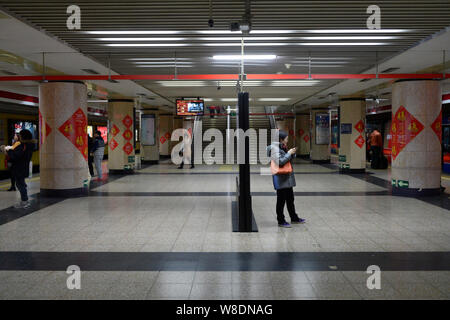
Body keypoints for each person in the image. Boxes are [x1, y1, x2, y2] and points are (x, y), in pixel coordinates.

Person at [267, 130, 306, 228]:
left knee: (290, 199)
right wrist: (289, 153)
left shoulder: (282, 147)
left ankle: (294, 217)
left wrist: (292, 153)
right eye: (286, 139)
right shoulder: (274, 149)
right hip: (281, 179)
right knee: (281, 200)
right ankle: (281, 220)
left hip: (287, 178)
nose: (287, 140)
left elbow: (286, 158)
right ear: (281, 139)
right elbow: (280, 161)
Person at [1, 130, 34, 209]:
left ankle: (25, 202)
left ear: (23, 136)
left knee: (20, 185)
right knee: (21, 184)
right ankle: (24, 200)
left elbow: (15, 156)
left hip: (19, 168)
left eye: (20, 135)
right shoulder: (29, 145)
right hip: (23, 167)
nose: (18, 136)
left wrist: (6, 151)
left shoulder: (23, 145)